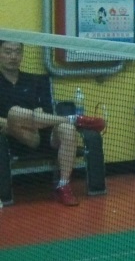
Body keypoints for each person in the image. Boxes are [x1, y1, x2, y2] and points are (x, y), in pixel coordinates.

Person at [0, 40, 107, 206]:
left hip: (40, 134)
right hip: (10, 138)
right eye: (8, 52)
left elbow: (44, 112)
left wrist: (34, 122)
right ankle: (74, 119)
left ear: (22, 54)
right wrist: (16, 121)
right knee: (14, 112)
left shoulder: (35, 80)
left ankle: (63, 185)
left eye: (17, 52)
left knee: (67, 130)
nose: (13, 56)